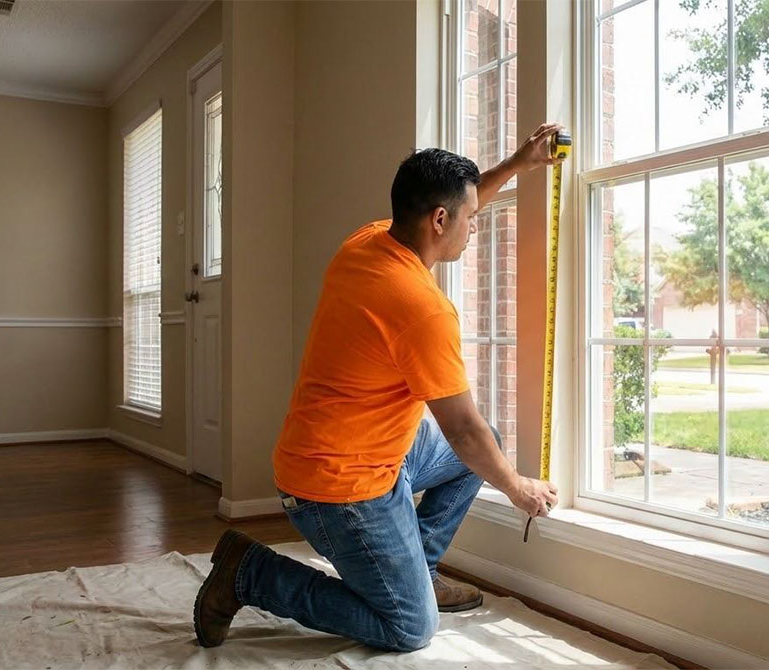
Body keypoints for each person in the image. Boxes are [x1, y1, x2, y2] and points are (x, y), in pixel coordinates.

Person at [192, 125, 563, 652]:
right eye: (471, 219)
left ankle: (418, 568)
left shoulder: (368, 240)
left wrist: (518, 165)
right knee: (411, 628)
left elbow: (460, 197)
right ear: (440, 220)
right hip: (336, 489)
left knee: (487, 450)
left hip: (365, 450)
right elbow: (461, 428)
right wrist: (519, 490)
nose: (474, 225)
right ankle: (250, 573)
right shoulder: (421, 308)